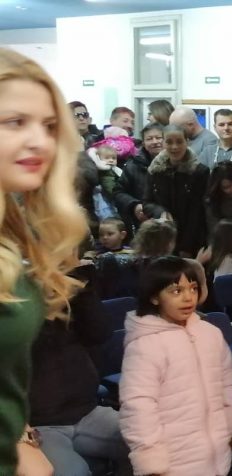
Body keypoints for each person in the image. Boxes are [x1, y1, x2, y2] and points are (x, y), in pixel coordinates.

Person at [0, 47, 90, 476]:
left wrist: (16, 437)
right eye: (15, 122)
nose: (40, 140)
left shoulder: (12, 225)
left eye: (50, 126)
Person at [119, 256, 232, 476]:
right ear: (155, 297)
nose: (188, 298)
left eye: (193, 288)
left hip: (218, 456)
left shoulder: (210, 334)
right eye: (176, 291)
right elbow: (138, 407)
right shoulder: (146, 345)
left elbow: (226, 384)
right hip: (175, 464)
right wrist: (151, 461)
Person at [29, 263, 131, 476]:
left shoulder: (70, 298)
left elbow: (100, 332)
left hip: (88, 411)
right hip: (41, 426)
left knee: (152, 445)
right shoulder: (17, 310)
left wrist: (80, 289)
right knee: (74, 472)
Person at [145, 124, 210, 258]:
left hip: (192, 239)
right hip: (162, 239)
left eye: (179, 142)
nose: (174, 147)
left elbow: (198, 212)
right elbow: (147, 202)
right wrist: (161, 212)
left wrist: (186, 246)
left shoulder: (200, 171)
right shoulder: (155, 170)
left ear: (187, 142)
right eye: (169, 142)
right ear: (163, 143)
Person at [95, 218, 177, 299]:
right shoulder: (174, 269)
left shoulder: (110, 260)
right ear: (169, 244)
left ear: (140, 239)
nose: (105, 237)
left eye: (110, 234)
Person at [112, 122, 165, 230]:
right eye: (149, 139)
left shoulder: (176, 163)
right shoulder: (133, 165)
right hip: (142, 224)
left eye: (159, 137)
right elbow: (118, 192)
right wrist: (134, 205)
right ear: (144, 143)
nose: (155, 142)